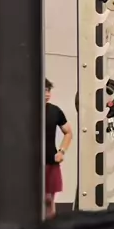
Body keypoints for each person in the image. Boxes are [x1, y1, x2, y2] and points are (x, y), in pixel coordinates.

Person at [45, 79, 73, 218]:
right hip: (29, 164)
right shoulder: (26, 111)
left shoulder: (55, 111)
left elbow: (68, 133)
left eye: (48, 90)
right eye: (44, 90)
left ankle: (50, 226)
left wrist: (62, 151)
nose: (47, 94)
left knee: (49, 200)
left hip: (50, 160)